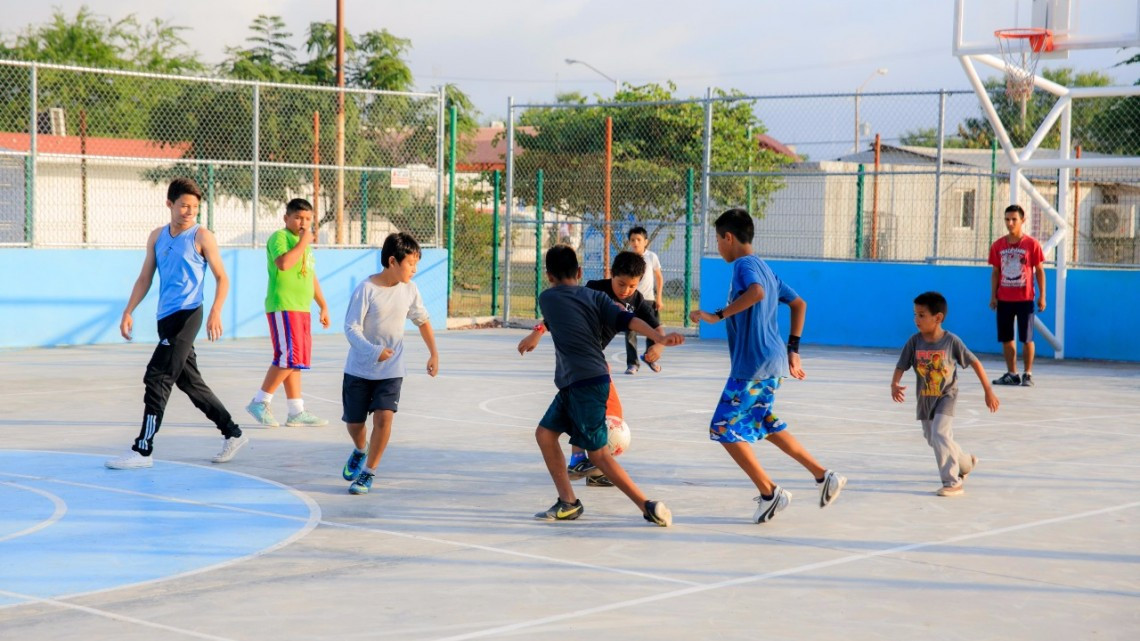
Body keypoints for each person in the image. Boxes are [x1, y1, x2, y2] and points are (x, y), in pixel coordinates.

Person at [689, 208, 845, 523]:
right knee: (764, 422)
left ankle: (769, 492)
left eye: (718, 240)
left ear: (728, 237)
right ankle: (823, 475)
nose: (718, 247)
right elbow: (799, 303)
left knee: (722, 428)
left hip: (754, 363)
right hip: (771, 360)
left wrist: (716, 315)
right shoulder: (765, 268)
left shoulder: (744, 266)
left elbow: (757, 294)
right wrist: (794, 349)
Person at [524, 244, 683, 526]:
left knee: (598, 454)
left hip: (585, 382)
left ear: (548, 276)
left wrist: (535, 334)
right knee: (545, 434)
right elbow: (629, 320)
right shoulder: (596, 296)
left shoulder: (547, 298)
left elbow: (556, 313)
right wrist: (658, 337)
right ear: (580, 272)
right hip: (578, 383)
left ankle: (646, 504)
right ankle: (568, 502)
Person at [105, 178, 247, 469]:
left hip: (188, 314)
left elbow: (222, 277)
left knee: (157, 377)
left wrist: (216, 311)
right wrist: (128, 310)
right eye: (184, 205)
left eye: (194, 207)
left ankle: (143, 449)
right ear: (170, 204)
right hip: (165, 318)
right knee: (190, 382)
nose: (189, 211)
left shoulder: (202, 236)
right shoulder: (157, 236)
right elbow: (146, 277)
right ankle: (232, 432)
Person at [340, 232, 439, 495]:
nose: (414, 270)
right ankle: (360, 450)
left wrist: (434, 353)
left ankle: (368, 472)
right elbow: (351, 328)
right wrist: (373, 351)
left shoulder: (410, 290)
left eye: (416, 264)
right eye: (410, 264)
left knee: (384, 418)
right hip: (359, 370)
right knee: (355, 424)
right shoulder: (366, 289)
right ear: (393, 261)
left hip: (391, 371)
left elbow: (422, 320)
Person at [892, 291, 1000, 497]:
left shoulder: (951, 342)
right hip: (925, 399)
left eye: (921, 315)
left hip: (946, 397)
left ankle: (953, 482)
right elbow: (901, 365)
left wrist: (988, 391)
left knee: (940, 434)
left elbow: (975, 362)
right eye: (915, 314)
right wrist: (894, 384)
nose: (916, 319)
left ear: (938, 317)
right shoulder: (914, 342)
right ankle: (966, 462)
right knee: (934, 438)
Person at [245, 199, 331, 428]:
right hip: (284, 305)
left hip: (301, 308)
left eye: (308, 219)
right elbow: (284, 263)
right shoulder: (280, 238)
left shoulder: (305, 246)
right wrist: (303, 242)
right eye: (298, 218)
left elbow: (310, 275)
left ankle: (296, 410)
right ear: (286, 218)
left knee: (296, 360)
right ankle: (260, 401)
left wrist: (322, 304)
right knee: (287, 356)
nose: (303, 223)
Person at [988, 204, 1046, 387]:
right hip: (1004, 299)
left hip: (1025, 299)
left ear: (1022, 220)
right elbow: (996, 272)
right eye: (1007, 219)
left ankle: (1027, 373)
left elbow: (1039, 271)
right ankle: (1011, 373)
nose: (1010, 223)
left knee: (1027, 338)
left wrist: (1042, 295)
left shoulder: (1031, 245)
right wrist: (993, 296)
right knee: (1006, 338)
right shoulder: (998, 245)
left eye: (1014, 219)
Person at [624, 226, 664, 374]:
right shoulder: (628, 259)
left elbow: (659, 278)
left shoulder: (651, 257)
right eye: (632, 240)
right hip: (631, 300)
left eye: (639, 239)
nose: (635, 242)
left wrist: (659, 297)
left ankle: (650, 358)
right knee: (630, 332)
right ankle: (632, 364)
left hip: (648, 300)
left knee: (653, 332)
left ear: (645, 242)